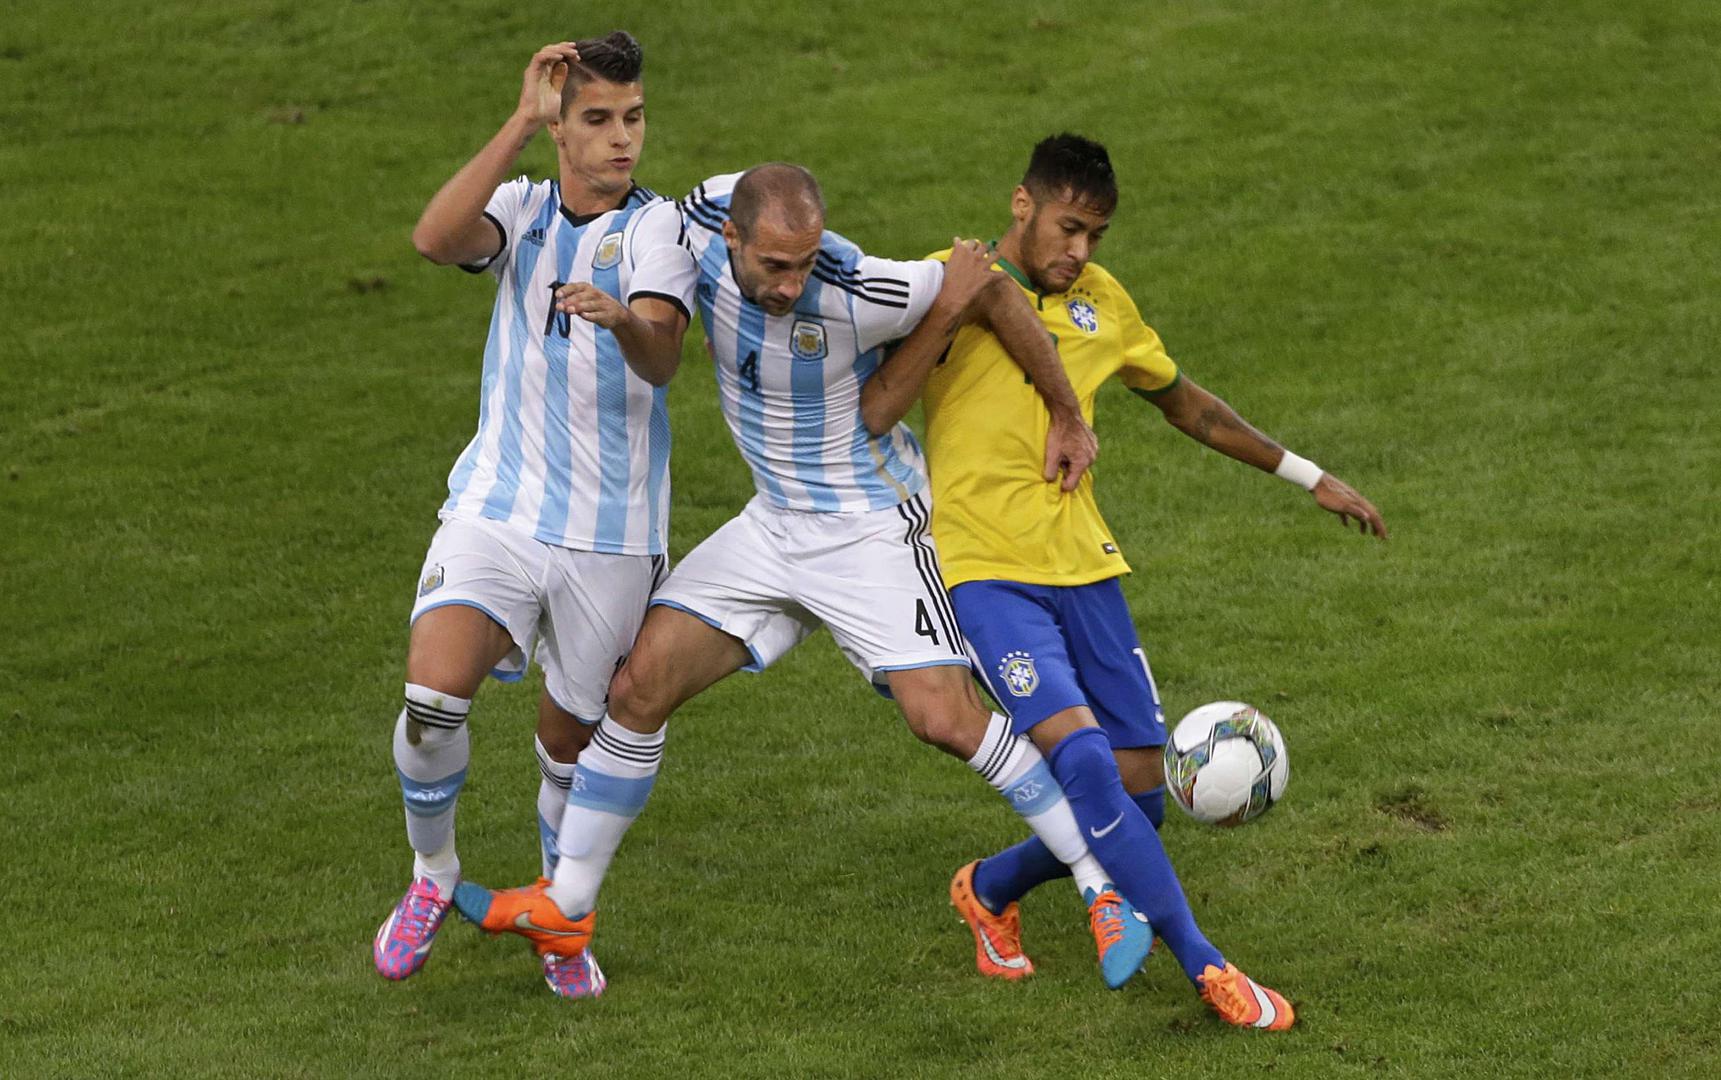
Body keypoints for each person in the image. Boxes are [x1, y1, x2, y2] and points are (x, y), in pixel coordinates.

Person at [454, 164, 1161, 999]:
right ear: (731, 238)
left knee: (943, 719)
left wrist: (1066, 413)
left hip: (870, 530)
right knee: (637, 688)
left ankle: (1101, 888)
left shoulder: (861, 285)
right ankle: (568, 905)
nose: (792, 283)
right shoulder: (698, 220)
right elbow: (631, 202)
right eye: (774, 266)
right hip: (772, 525)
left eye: (804, 262)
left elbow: (992, 290)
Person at [862, 134, 1388, 1030]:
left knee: (1141, 793)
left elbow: (1188, 405)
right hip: (985, 575)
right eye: (1067, 228)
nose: (1079, 251)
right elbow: (864, 394)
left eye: (1095, 235)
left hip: (1087, 570)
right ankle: (1208, 966)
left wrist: (1307, 475)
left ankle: (986, 888)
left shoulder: (1101, 302)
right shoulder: (945, 283)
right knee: (1080, 759)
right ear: (1022, 204)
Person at [372, 32, 696, 1001]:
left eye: (632, 117)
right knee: (432, 696)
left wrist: (623, 318)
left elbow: (663, 358)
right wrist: (518, 119)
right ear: (561, 125)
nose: (621, 138)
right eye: (597, 118)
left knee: (569, 745)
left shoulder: (659, 230)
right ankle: (432, 878)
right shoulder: (518, 209)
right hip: (498, 508)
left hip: (611, 535)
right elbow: (434, 239)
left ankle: (559, 917)